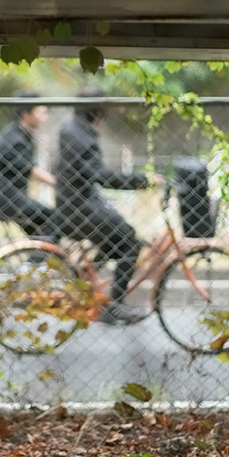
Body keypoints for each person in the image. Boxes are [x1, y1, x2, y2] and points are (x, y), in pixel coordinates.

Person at [55, 87, 164, 325]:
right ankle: (114, 305)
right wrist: (143, 180)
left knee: (116, 238)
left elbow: (85, 176)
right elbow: (103, 176)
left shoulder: (72, 130)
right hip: (80, 209)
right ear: (97, 113)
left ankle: (87, 275)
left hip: (74, 205)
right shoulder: (82, 137)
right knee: (128, 240)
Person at [0, 90, 60, 240]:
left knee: (42, 229)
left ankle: (38, 256)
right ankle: (36, 261)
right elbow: (31, 170)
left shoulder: (20, 134)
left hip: (14, 198)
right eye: (40, 112)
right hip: (9, 200)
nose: (44, 118)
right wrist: (59, 183)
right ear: (26, 114)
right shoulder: (15, 138)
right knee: (56, 219)